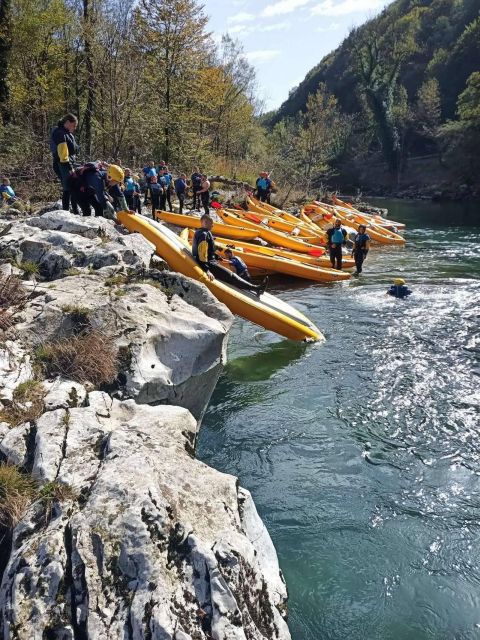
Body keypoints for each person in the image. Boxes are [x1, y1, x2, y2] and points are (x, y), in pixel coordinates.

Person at [192, 214, 268, 296]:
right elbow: (202, 254)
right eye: (211, 223)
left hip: (212, 262)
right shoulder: (203, 234)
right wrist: (207, 270)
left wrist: (218, 257)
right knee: (231, 275)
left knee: (229, 275)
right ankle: (257, 288)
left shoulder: (204, 233)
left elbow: (208, 251)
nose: (213, 225)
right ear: (205, 222)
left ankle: (254, 287)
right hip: (210, 264)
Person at [50, 113, 79, 213]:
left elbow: (72, 150)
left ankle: (75, 210)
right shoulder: (60, 133)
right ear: (67, 123)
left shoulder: (67, 133)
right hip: (62, 164)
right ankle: (67, 211)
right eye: (74, 125)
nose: (74, 128)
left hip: (68, 162)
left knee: (72, 186)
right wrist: (70, 167)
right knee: (68, 187)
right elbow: (63, 153)